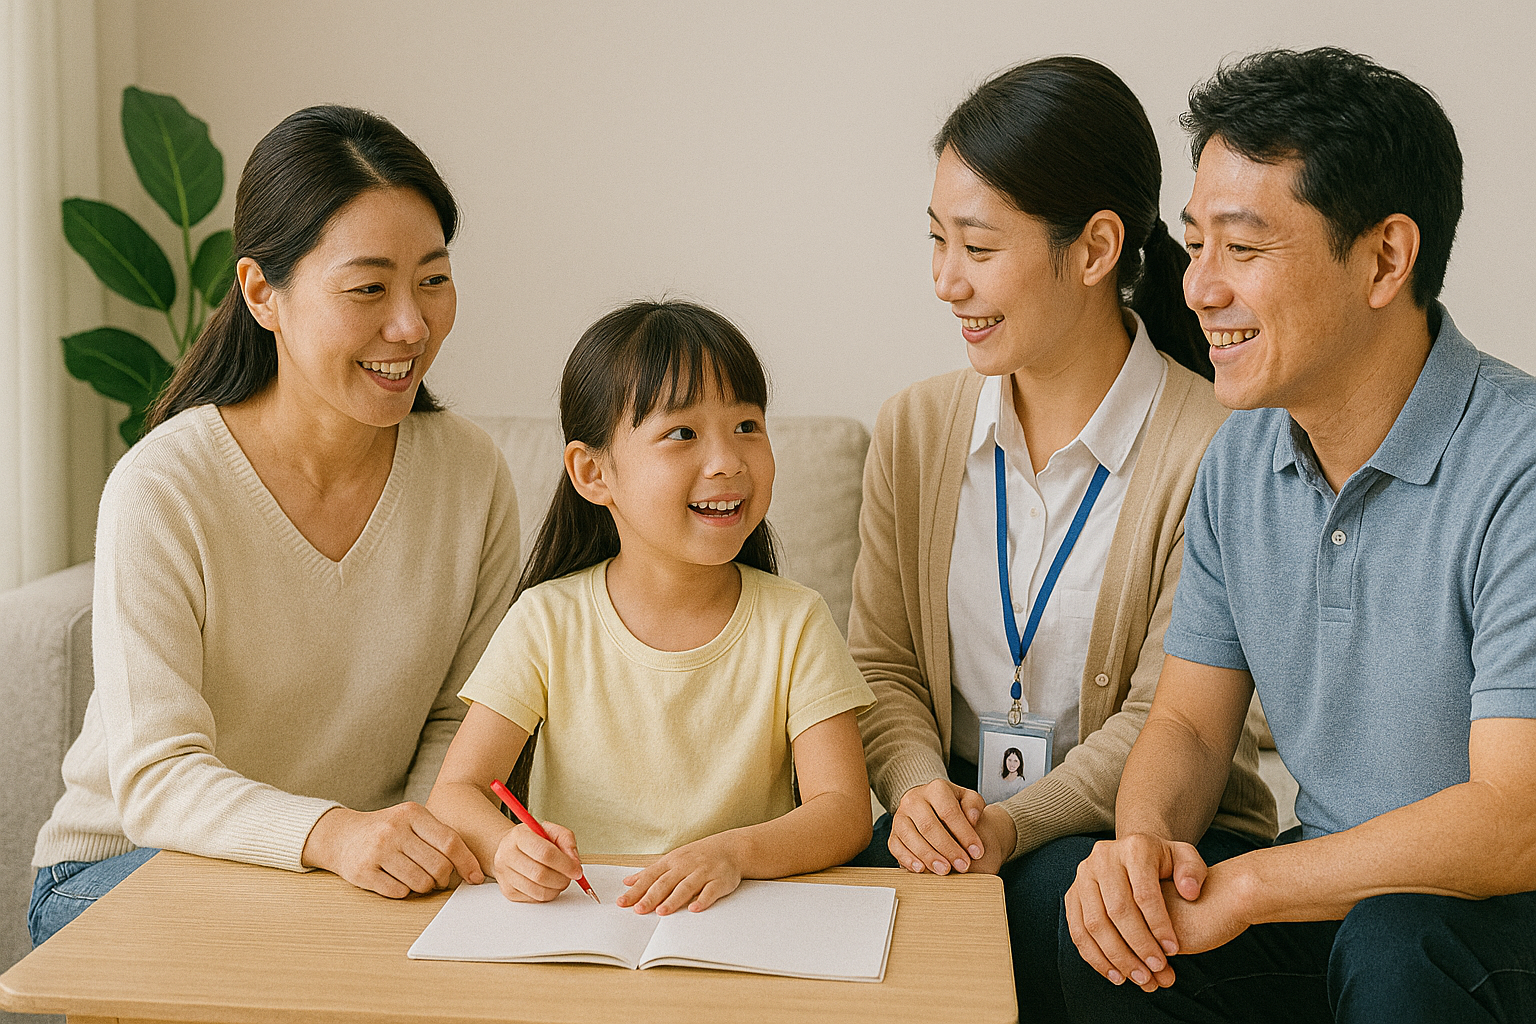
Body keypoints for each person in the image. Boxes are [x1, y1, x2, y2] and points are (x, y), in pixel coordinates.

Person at [1061, 47, 1536, 1023]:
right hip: (1342, 898)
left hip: (1496, 916)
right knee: (1094, 919)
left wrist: (1248, 888)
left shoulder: (1518, 463)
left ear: (1384, 259)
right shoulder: (1240, 464)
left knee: (1400, 943)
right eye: (1196, 247)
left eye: (1242, 249)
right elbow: (1190, 724)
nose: (1198, 291)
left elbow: (1513, 821)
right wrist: (1142, 844)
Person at [846, 55, 1276, 1016]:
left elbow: (1174, 712)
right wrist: (921, 795)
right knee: (869, 879)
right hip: (955, 821)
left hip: (1155, 840)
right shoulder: (914, 429)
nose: (945, 282)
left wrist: (1013, 826)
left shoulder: (1219, 449)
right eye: (934, 241)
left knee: (1053, 896)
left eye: (978, 247)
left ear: (1093, 249)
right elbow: (878, 666)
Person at [27, 106, 519, 946]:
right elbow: (158, 779)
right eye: (369, 288)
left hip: (348, 876)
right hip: (125, 867)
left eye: (432, 279)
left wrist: (426, 845)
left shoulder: (472, 476)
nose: (411, 325)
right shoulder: (165, 486)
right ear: (262, 293)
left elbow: (459, 717)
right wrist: (333, 834)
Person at [427, 300, 875, 914]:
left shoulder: (796, 622)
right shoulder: (546, 620)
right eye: (682, 434)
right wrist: (506, 847)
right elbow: (456, 792)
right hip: (587, 922)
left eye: (747, 425)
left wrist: (732, 855)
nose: (727, 461)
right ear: (593, 473)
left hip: (741, 919)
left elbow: (845, 812)